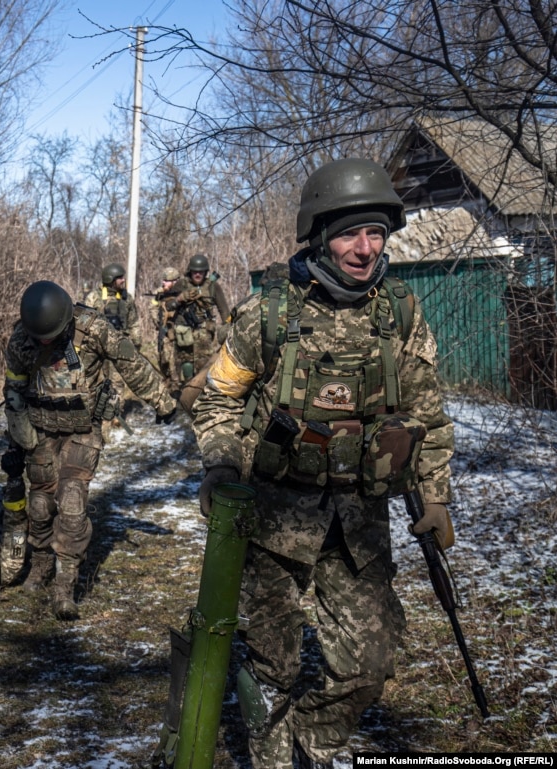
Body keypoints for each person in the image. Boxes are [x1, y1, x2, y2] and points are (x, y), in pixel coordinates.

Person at [190, 158, 455, 768]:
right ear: (319, 235)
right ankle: (272, 754)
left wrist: (435, 495)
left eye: (376, 234)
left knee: (371, 664)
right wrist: (222, 467)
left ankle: (311, 741)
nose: (365, 249)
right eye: (349, 234)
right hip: (274, 517)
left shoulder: (401, 315)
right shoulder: (269, 314)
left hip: (358, 522)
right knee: (271, 661)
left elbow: (428, 415)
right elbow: (220, 396)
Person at [3, 280, 178, 620]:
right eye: (40, 337)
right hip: (40, 431)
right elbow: (13, 393)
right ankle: (40, 563)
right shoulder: (21, 340)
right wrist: (16, 440)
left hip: (82, 429)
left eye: (49, 336)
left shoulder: (94, 328)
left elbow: (133, 364)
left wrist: (162, 401)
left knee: (71, 500)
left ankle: (65, 584)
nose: (44, 343)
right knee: (40, 502)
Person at [164, 253, 231, 391]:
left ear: (206, 272)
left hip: (204, 336)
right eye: (195, 271)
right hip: (184, 334)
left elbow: (224, 311)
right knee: (185, 367)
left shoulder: (213, 287)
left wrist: (228, 330)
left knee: (205, 369)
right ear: (190, 271)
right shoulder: (181, 284)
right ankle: (184, 398)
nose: (198, 274)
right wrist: (180, 298)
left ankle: (202, 399)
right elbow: (168, 305)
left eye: (201, 272)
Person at [82, 263, 142, 348]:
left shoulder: (127, 298)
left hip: (122, 344)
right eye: (120, 278)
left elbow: (133, 323)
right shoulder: (94, 297)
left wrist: (137, 344)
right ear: (111, 279)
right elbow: (84, 323)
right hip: (99, 345)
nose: (123, 280)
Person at [151, 266, 181, 386]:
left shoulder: (182, 293)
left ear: (175, 282)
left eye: (166, 280)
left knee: (176, 359)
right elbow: (152, 308)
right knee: (162, 357)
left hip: (179, 331)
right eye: (163, 280)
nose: (164, 283)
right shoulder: (159, 293)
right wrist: (159, 323)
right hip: (163, 330)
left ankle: (176, 382)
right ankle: (167, 379)